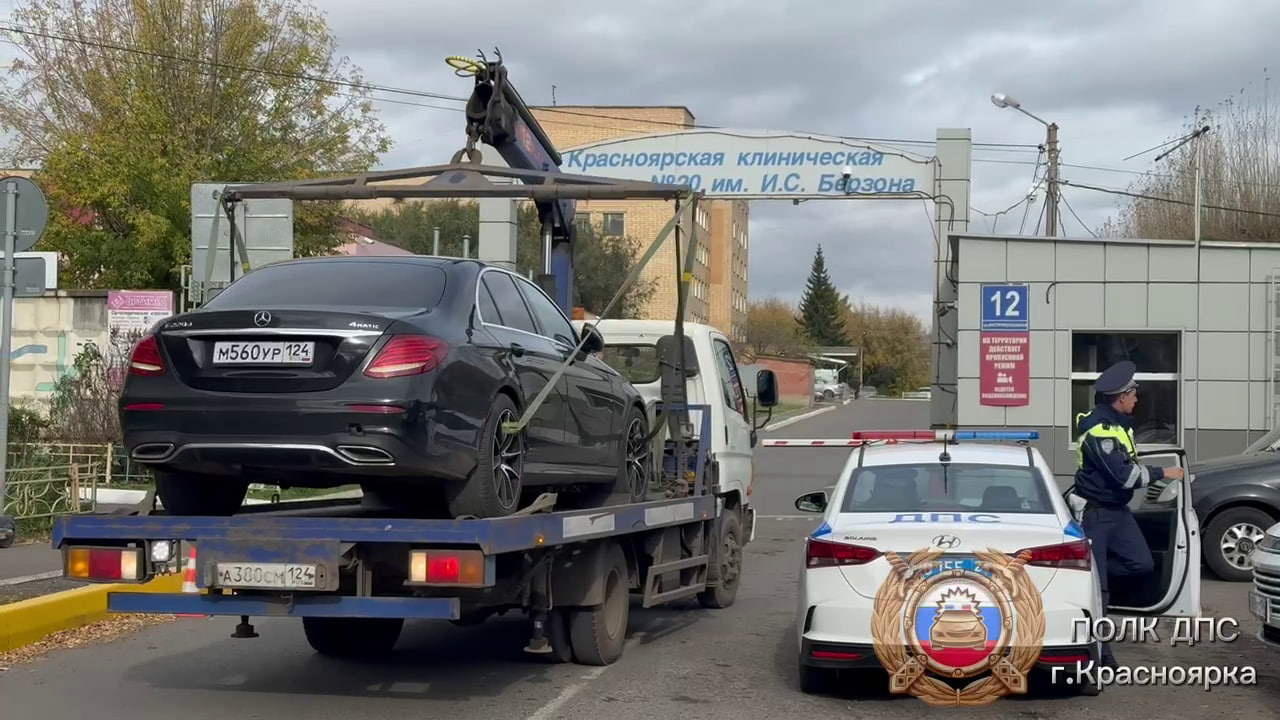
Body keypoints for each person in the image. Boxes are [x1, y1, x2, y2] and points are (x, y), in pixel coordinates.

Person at [1073, 360, 1185, 667]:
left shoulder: (1120, 426)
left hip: (1118, 512)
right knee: (1100, 591)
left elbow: (1129, 466)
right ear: (1121, 397)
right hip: (1096, 515)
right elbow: (1124, 476)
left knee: (1142, 563)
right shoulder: (1099, 431)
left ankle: (1094, 574)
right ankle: (1101, 654)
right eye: (1133, 394)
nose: (1137, 399)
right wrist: (1163, 472)